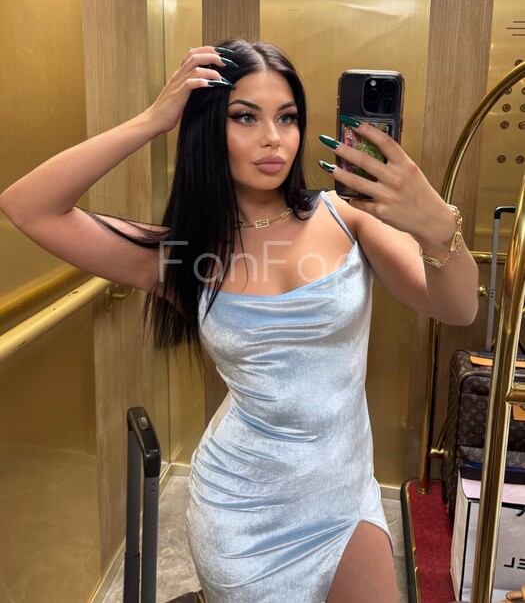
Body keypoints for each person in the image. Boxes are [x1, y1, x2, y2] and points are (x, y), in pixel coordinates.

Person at [0, 39, 479, 602]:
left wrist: (438, 229)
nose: (273, 138)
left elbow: (458, 308)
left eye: (288, 117)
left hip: (345, 501)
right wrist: (153, 121)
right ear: (208, 128)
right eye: (246, 117)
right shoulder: (181, 255)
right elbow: (28, 206)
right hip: (243, 516)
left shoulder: (345, 217)